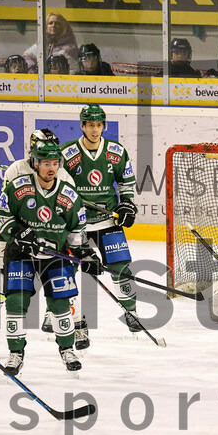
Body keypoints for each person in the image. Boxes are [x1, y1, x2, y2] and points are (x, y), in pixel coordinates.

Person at [0, 129, 88, 353]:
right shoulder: (16, 169)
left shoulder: (62, 173)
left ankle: (74, 324)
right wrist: (19, 233)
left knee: (64, 282)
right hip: (16, 238)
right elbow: (6, 208)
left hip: (51, 238)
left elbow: (69, 208)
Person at [0, 139, 101, 375]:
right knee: (15, 301)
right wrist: (17, 232)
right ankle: (15, 353)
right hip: (21, 253)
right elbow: (1, 216)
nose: (51, 168)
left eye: (55, 163)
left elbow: (76, 231)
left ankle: (66, 349)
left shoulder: (68, 194)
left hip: (56, 255)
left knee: (60, 303)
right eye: (45, 163)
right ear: (35, 163)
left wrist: (86, 254)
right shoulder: (18, 186)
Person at [60, 104, 140, 332]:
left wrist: (126, 204)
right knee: (66, 268)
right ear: (82, 126)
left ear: (104, 126)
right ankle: (62, 313)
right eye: (90, 125)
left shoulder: (116, 151)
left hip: (108, 220)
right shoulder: (68, 153)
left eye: (98, 125)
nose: (95, 130)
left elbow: (126, 182)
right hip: (78, 223)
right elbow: (59, 185)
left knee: (121, 266)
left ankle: (131, 312)